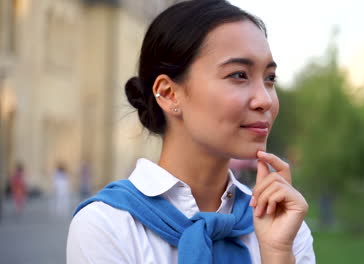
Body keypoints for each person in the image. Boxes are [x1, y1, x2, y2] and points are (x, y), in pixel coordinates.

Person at [67, 1, 315, 263]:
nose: (265, 100)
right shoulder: (108, 226)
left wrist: (277, 254)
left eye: (270, 78)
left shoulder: (285, 226)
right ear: (169, 93)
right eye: (239, 75)